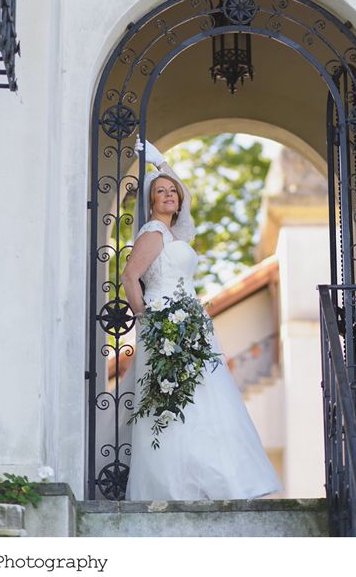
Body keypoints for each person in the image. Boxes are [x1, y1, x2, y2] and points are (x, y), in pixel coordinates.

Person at [118, 138, 280, 501]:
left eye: (171, 191)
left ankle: (212, 480)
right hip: (164, 325)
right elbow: (130, 277)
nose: (169, 195)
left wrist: (162, 165)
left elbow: (183, 192)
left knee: (205, 400)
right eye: (160, 192)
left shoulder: (177, 233)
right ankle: (171, 486)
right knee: (169, 404)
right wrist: (148, 319)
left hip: (188, 323)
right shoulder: (153, 234)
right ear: (150, 201)